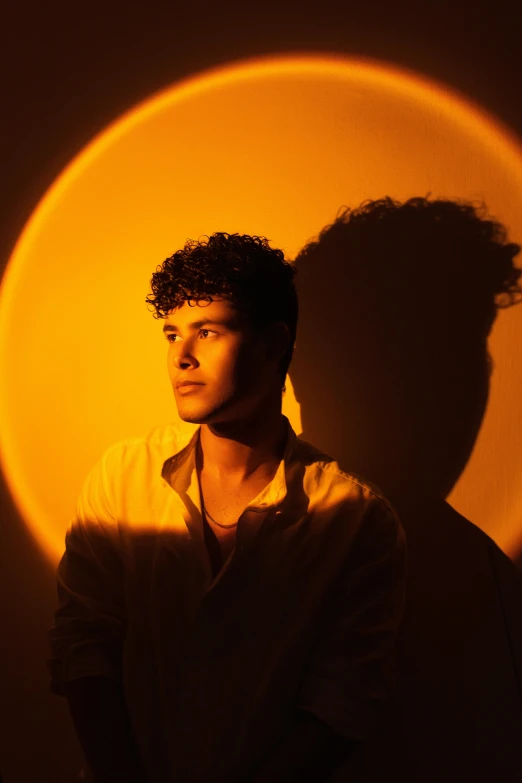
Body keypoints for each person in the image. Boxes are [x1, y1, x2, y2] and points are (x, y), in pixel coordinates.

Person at [48, 232, 406, 783]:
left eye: (207, 331)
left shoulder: (355, 519)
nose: (180, 357)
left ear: (272, 345)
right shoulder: (122, 476)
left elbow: (344, 705)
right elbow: (83, 646)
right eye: (171, 334)